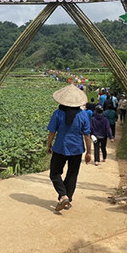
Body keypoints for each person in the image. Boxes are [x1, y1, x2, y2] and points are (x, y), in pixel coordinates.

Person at [46, 84, 92, 212]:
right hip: (77, 148)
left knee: (55, 173)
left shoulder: (58, 113)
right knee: (72, 174)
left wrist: (49, 145)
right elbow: (87, 135)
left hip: (60, 147)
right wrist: (89, 152)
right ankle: (66, 199)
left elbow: (51, 132)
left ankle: (63, 196)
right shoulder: (83, 115)